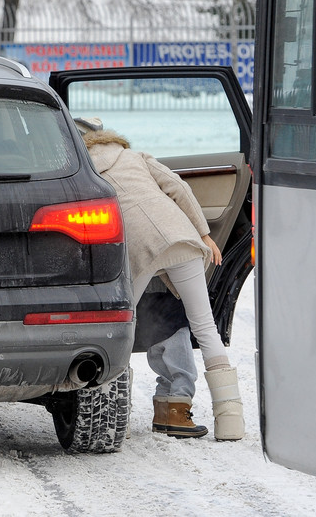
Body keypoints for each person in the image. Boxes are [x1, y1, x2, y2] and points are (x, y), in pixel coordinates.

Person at [80, 123, 244, 442]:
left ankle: (113, 419)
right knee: (205, 326)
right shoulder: (135, 155)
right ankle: (230, 420)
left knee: (121, 327)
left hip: (138, 248)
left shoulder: (82, 168)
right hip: (179, 235)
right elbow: (178, 188)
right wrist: (204, 234)